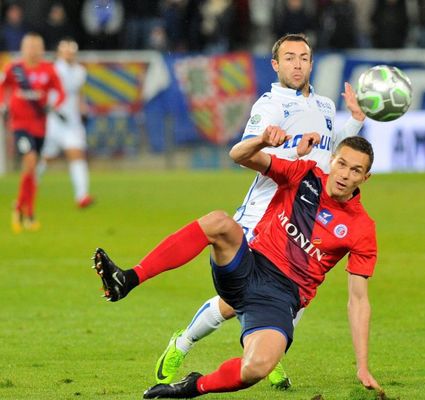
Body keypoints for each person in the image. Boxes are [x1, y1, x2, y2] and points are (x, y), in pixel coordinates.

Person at [151, 32, 366, 389]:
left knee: (294, 297)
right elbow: (244, 153)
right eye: (289, 58)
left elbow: (331, 156)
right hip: (262, 214)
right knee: (235, 300)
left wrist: (355, 122)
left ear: (311, 63)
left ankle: (270, 354)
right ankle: (183, 342)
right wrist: (275, 147)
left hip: (302, 220)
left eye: (303, 58)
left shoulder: (326, 106)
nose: (297, 64)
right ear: (276, 65)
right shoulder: (271, 106)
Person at [93, 133, 381, 398]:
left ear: (365, 178)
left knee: (257, 367)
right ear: (332, 160)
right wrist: (262, 141)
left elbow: (358, 300)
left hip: (281, 298)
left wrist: (363, 366)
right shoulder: (304, 174)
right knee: (220, 222)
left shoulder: (362, 229)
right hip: (249, 266)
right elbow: (239, 156)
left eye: (355, 170)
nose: (344, 174)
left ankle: (193, 386)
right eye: (341, 164)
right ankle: (128, 279)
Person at [0, 32, 65, 233]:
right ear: (23, 48)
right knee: (29, 160)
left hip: (40, 126)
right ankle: (21, 208)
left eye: (37, 46)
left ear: (42, 49)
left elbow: (61, 92)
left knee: (32, 171)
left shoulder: (49, 69)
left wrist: (54, 104)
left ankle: (26, 211)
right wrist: (3, 104)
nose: (33, 50)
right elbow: (2, 88)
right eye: (29, 46)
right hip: (19, 125)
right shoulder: (13, 68)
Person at [38, 37, 94, 209]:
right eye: (65, 50)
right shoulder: (52, 70)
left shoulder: (80, 71)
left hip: (72, 122)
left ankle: (82, 196)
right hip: (53, 121)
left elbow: (78, 94)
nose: (69, 54)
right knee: (44, 158)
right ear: (59, 53)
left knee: (76, 154)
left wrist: (83, 109)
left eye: (72, 50)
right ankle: (28, 191)